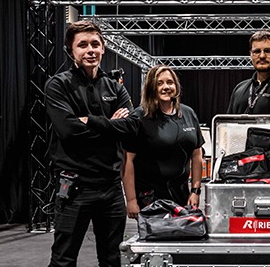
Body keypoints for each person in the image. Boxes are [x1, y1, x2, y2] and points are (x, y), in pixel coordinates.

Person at [42, 20, 133, 267]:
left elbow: (130, 127)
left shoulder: (115, 86)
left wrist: (90, 122)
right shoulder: (58, 85)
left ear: (103, 48)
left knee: (112, 262)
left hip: (110, 188)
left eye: (95, 43)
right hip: (75, 187)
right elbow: (68, 131)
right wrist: (108, 123)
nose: (90, 50)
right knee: (62, 265)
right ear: (72, 50)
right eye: (83, 45)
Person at [83, 65, 205, 219]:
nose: (166, 87)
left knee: (181, 233)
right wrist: (131, 200)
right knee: (157, 235)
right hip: (150, 198)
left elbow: (196, 155)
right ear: (151, 88)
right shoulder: (140, 117)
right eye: (159, 83)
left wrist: (195, 191)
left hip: (182, 196)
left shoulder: (188, 113)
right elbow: (128, 161)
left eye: (170, 82)